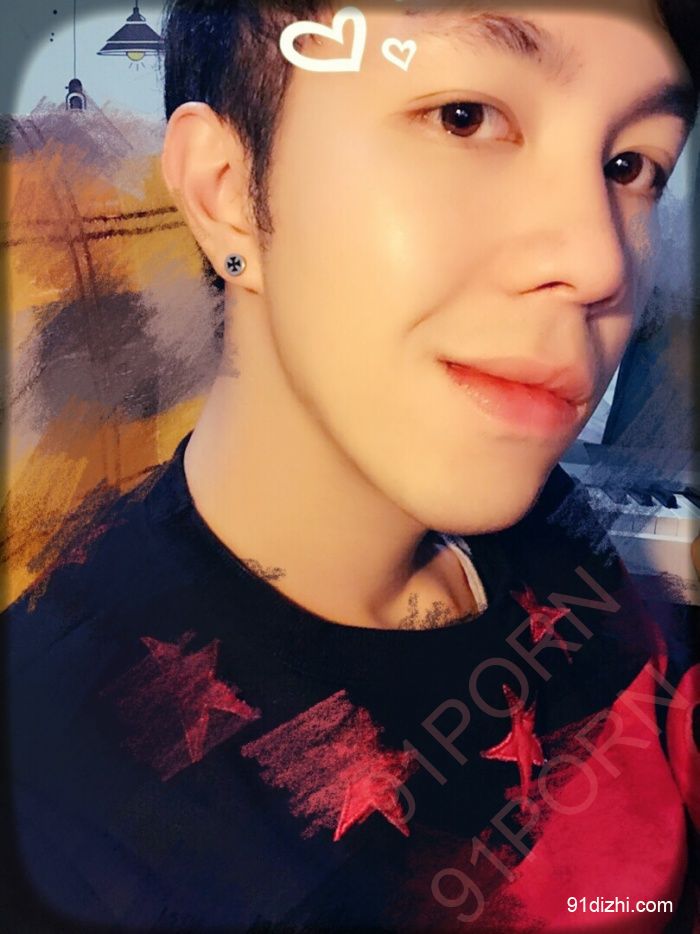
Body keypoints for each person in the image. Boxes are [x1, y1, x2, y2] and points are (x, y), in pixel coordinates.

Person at [8, 1, 699, 930]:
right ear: (227, 192)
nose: (601, 262)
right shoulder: (65, 807)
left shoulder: (545, 518)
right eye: (465, 118)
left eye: (631, 167)